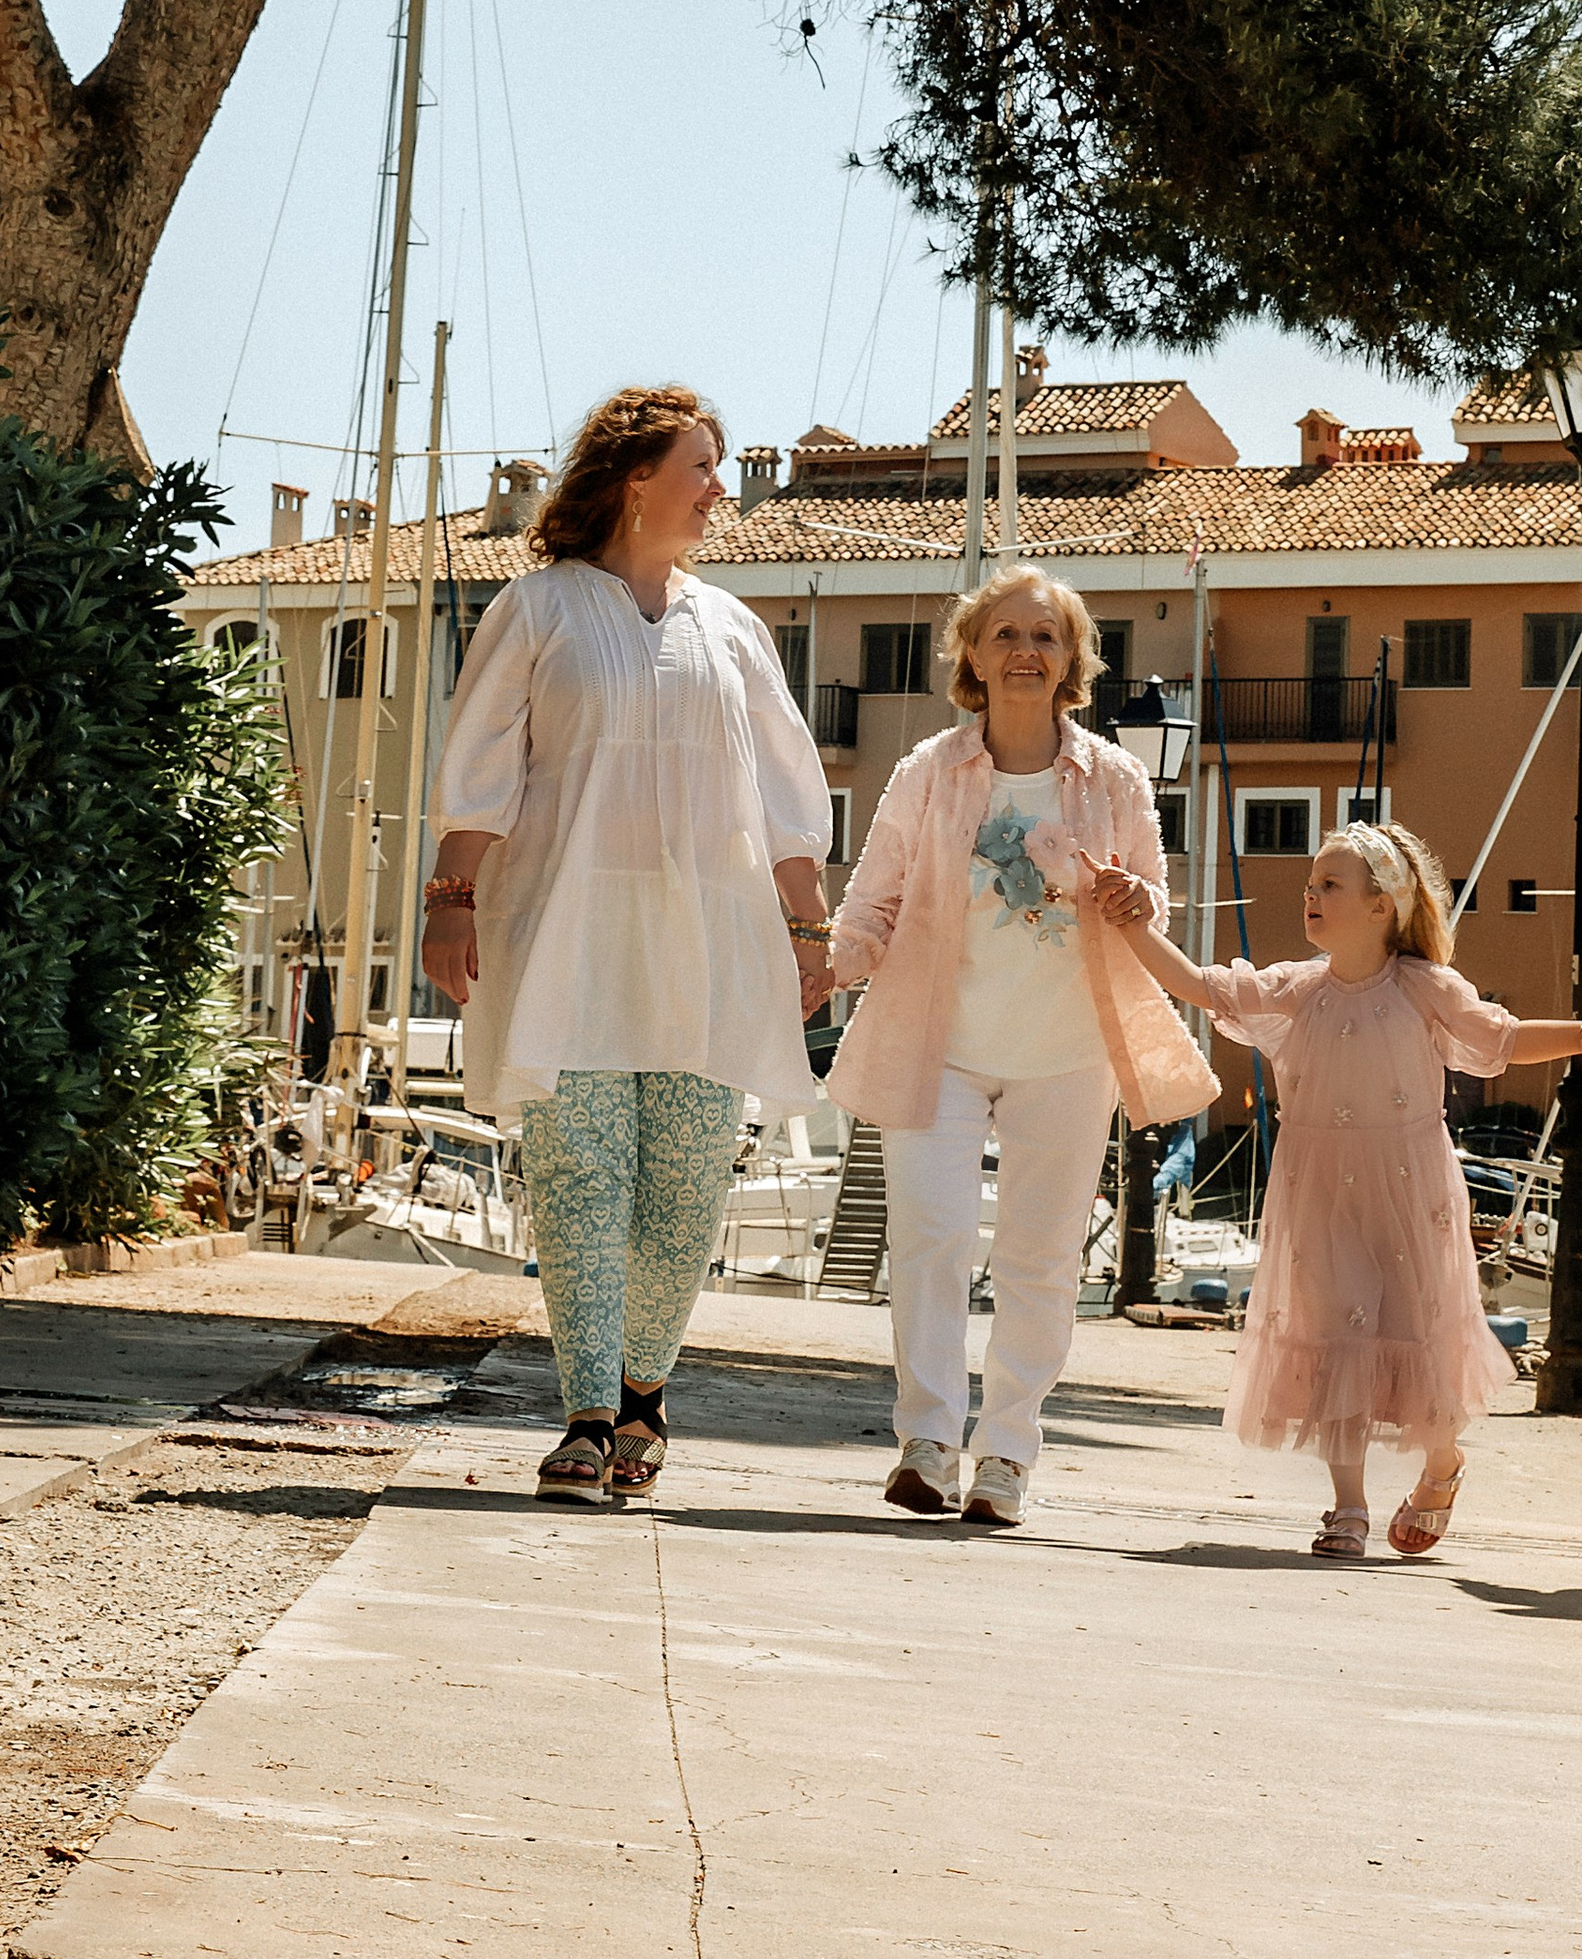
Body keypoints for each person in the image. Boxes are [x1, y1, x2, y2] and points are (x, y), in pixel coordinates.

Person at [420, 386, 835, 1502]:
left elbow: (790, 795)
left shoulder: (732, 627)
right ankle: (589, 1411)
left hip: (709, 935)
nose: (720, 487)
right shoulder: (540, 607)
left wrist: (808, 929)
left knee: (689, 1181)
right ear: (632, 478)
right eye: (701, 465)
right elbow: (483, 764)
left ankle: (648, 1385)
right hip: (567, 928)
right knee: (578, 1175)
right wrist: (449, 897)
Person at [826, 567, 1216, 1530]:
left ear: (1073, 661)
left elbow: (1151, 898)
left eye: (1046, 637)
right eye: (1005, 634)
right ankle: (926, 1438)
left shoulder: (1114, 778)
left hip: (1069, 1050)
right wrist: (818, 965)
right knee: (930, 1239)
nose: (1025, 652)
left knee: (1040, 1259)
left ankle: (1005, 1455)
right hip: (938, 1044)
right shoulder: (927, 772)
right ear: (972, 655)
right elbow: (872, 900)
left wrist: (1134, 902)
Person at [1117, 823, 1582, 1560]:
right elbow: (1196, 983)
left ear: (1383, 908)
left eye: (1329, 885)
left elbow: (1500, 1037)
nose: (1311, 895)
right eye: (1310, 884)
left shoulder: (1424, 987)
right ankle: (1349, 1505)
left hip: (1411, 1189)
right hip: (1317, 1192)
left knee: (1420, 1336)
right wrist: (1134, 924)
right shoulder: (1296, 990)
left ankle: (1442, 1465)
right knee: (1338, 1338)